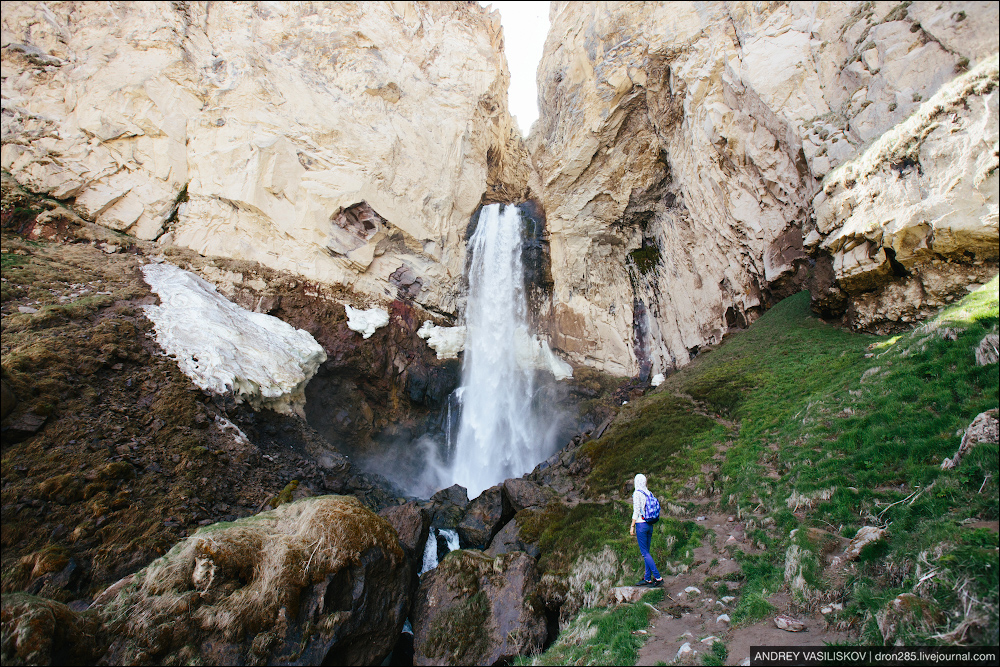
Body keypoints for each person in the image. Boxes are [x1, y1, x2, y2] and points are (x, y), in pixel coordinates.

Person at [629, 473, 663, 587]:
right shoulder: (649, 493)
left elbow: (636, 510)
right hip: (649, 524)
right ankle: (647, 578)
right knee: (647, 552)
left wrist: (632, 525)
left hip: (641, 525)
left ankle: (658, 577)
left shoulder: (637, 493)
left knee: (644, 553)